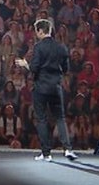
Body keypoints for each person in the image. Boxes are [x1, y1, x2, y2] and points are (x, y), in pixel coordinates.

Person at [16, 18, 78, 161]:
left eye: (36, 31)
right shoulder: (61, 47)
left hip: (41, 88)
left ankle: (46, 153)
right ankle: (68, 149)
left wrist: (25, 64)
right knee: (60, 118)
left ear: (41, 31)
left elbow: (34, 68)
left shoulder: (39, 47)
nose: (36, 34)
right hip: (56, 87)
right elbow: (66, 69)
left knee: (42, 119)